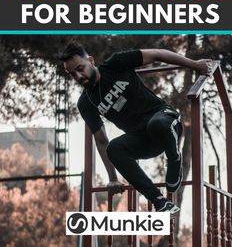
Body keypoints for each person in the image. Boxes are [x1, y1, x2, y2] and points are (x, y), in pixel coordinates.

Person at [59, 41, 212, 214]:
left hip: (165, 121)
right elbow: (101, 140)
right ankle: (159, 201)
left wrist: (194, 65)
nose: (78, 76)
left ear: (91, 61)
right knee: (114, 148)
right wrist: (113, 178)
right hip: (144, 141)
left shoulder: (115, 64)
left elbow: (157, 53)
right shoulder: (86, 103)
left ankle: (175, 160)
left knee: (157, 124)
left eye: (80, 68)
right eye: (72, 74)